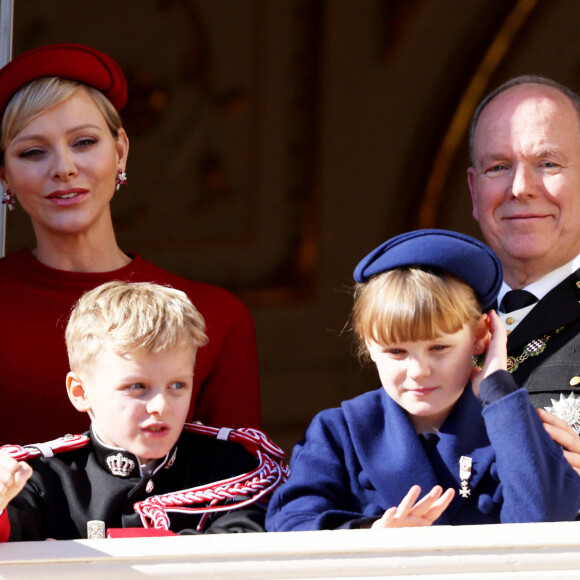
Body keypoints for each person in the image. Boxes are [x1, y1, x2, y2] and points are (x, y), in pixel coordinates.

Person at [0, 43, 260, 445]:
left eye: (84, 142)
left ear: (120, 151)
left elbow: (241, 491)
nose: (64, 168)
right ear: (5, 176)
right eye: (33, 152)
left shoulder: (215, 318)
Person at [265, 230, 580, 531]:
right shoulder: (339, 433)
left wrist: (497, 386)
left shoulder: (514, 429)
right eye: (397, 351)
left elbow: (544, 520)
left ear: (482, 335)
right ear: (367, 345)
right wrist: (370, 533)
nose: (418, 371)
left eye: (438, 347)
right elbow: (290, 524)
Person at [0, 281, 285, 541]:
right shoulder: (44, 479)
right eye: (137, 386)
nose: (161, 406)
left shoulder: (230, 471)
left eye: (177, 385)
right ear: (80, 392)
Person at [467, 75, 580, 472]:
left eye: (547, 163)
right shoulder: (436, 317)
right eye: (498, 167)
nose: (520, 188)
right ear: (473, 190)